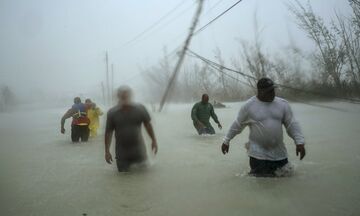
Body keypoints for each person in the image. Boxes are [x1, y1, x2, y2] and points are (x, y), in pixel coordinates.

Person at [221, 78, 306, 177]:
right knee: (260, 185)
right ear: (260, 91)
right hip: (258, 156)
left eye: (273, 90)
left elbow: (292, 124)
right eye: (269, 91)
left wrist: (299, 142)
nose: (273, 93)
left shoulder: (283, 104)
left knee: (284, 183)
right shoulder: (249, 106)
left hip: (279, 154)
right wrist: (226, 140)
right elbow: (237, 125)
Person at [104, 86, 158, 172]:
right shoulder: (112, 113)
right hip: (122, 154)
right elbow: (108, 132)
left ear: (130, 96)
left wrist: (154, 140)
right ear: (118, 97)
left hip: (139, 151)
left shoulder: (140, 109)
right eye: (122, 96)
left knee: (143, 178)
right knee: (123, 179)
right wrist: (107, 151)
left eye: (127, 96)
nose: (125, 98)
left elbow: (148, 125)